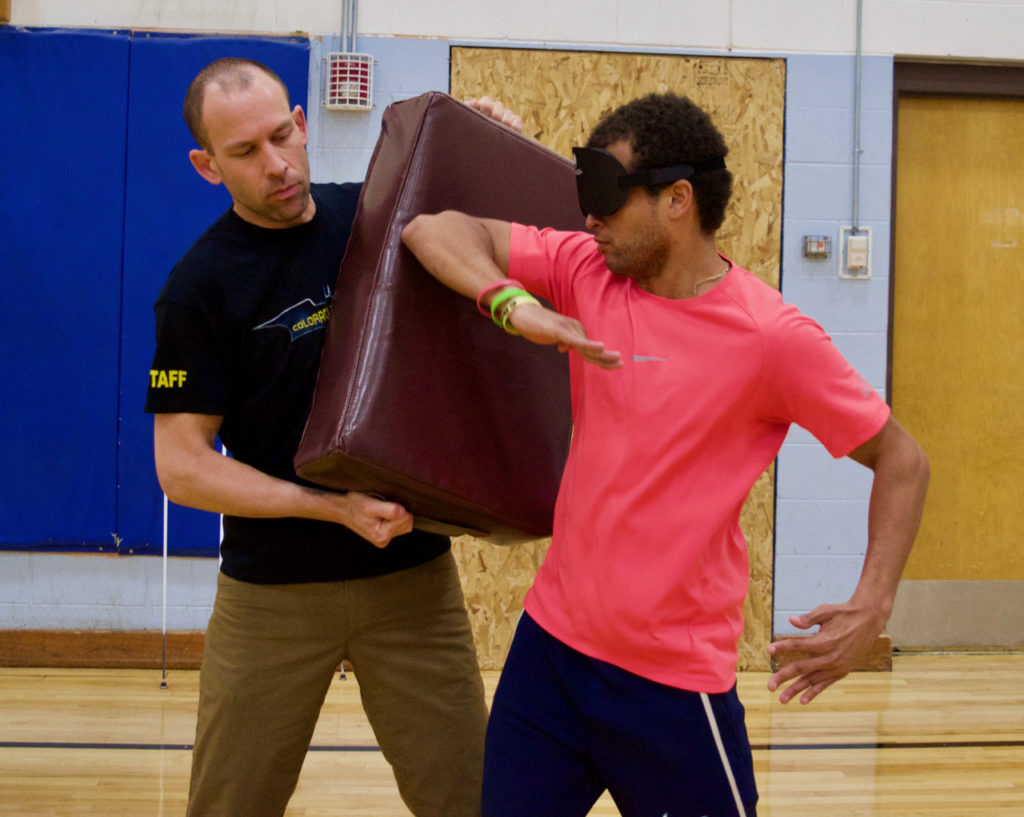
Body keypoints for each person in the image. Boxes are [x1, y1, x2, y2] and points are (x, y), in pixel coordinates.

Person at [401, 92, 930, 817]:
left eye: (610, 199)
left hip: (670, 685)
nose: (590, 217)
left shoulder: (772, 338)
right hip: (551, 653)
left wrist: (873, 602)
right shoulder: (588, 269)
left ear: (678, 199)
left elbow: (903, 460)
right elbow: (435, 230)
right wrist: (511, 303)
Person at [144, 57, 521, 817]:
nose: (277, 164)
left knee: (473, 802)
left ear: (304, 123)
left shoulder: (378, 221)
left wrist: (491, 152)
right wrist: (331, 507)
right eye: (245, 152)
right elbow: (181, 468)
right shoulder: (199, 287)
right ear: (206, 165)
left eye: (283, 134)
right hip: (271, 592)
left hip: (411, 581)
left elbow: (505, 241)